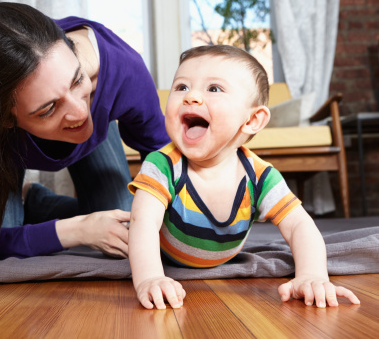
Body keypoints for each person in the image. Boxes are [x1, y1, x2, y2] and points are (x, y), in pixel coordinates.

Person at [0, 2, 170, 263]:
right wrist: (75, 231)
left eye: (78, 80)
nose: (80, 113)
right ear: (5, 119)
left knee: (126, 221)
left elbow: (170, 167)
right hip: (1, 145)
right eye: (48, 108)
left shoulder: (123, 67)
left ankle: (36, 201)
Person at [127, 45, 360, 310]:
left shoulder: (260, 177)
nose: (191, 96)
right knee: (128, 230)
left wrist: (312, 275)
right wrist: (150, 278)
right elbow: (143, 222)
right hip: (162, 252)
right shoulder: (163, 165)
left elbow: (299, 226)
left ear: (252, 120)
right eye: (181, 87)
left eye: (213, 89)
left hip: (222, 257)